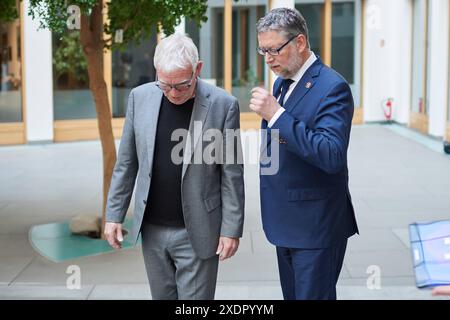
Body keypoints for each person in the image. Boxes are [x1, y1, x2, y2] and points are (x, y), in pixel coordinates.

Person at [104, 33, 245, 300]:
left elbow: (232, 174)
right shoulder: (139, 97)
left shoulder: (224, 105)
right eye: (165, 85)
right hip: (152, 230)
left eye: (181, 85)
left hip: (199, 230)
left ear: (198, 69)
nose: (173, 93)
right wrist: (114, 215)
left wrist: (230, 229)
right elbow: (127, 162)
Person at [250, 7, 358, 300]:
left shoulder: (332, 86)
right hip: (285, 222)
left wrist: (276, 114)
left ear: (299, 43)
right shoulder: (282, 80)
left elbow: (331, 154)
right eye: (263, 51)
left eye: (274, 50)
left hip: (316, 226)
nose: (268, 59)